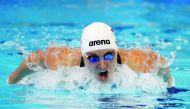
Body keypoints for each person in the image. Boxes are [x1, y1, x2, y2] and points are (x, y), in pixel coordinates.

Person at [8, 22, 173, 86]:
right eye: (93, 57)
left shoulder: (140, 61)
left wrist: (169, 84)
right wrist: (12, 81)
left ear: (117, 52)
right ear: (83, 56)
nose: (102, 65)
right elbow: (35, 58)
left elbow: (163, 66)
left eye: (109, 55)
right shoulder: (62, 59)